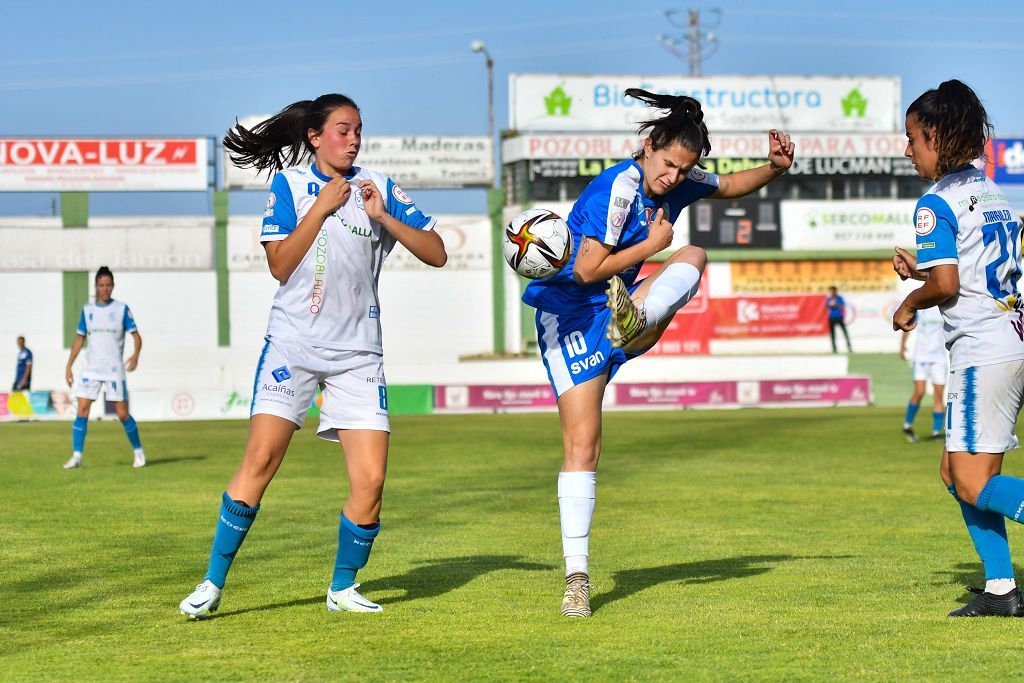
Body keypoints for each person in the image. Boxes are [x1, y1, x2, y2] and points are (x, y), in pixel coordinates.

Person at [521, 88, 794, 617]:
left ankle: (635, 321)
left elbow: (733, 185)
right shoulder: (616, 190)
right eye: (667, 164)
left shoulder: (682, 180)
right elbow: (584, 271)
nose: (673, 177)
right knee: (584, 447)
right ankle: (577, 579)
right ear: (646, 146)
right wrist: (650, 247)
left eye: (684, 168)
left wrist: (774, 169)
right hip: (571, 315)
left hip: (618, 308)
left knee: (693, 253)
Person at [178, 94, 447, 619]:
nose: (353, 140)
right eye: (343, 130)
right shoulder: (291, 185)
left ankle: (343, 588)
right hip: (294, 344)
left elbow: (437, 252)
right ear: (314, 137)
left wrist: (383, 217)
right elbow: (279, 265)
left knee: (371, 483)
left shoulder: (381, 187)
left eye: (358, 131)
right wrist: (322, 207)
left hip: (359, 354)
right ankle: (211, 583)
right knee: (261, 462)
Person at [892, 79, 1024, 617]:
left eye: (912, 138)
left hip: (981, 349)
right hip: (1009, 337)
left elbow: (946, 288)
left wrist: (909, 302)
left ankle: (1001, 589)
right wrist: (922, 271)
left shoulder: (934, 202)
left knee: (971, 480)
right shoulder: (993, 192)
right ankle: (1000, 590)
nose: (907, 149)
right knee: (955, 474)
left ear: (937, 136)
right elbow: (966, 272)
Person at [63, 266, 146, 469]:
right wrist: (69, 365)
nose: (105, 289)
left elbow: (136, 336)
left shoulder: (121, 309)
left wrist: (135, 355)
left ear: (113, 286)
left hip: (114, 369)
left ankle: (138, 452)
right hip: (91, 369)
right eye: (101, 285)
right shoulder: (87, 310)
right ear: (96, 287)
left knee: (122, 414)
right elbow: (79, 338)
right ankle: (76, 456)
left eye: (108, 285)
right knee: (82, 410)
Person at [899, 306, 948, 443]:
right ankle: (907, 425)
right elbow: (907, 326)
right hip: (921, 356)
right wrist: (902, 346)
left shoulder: (944, 306)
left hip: (939, 357)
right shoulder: (921, 308)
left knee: (939, 395)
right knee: (919, 392)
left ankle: (936, 432)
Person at [826, 286, 852, 353]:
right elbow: (826, 307)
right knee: (833, 334)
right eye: (831, 291)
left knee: (845, 333)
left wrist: (835, 304)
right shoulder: (828, 299)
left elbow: (842, 306)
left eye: (833, 291)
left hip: (839, 317)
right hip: (831, 317)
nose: (832, 292)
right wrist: (831, 305)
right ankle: (834, 349)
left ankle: (849, 347)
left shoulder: (839, 298)